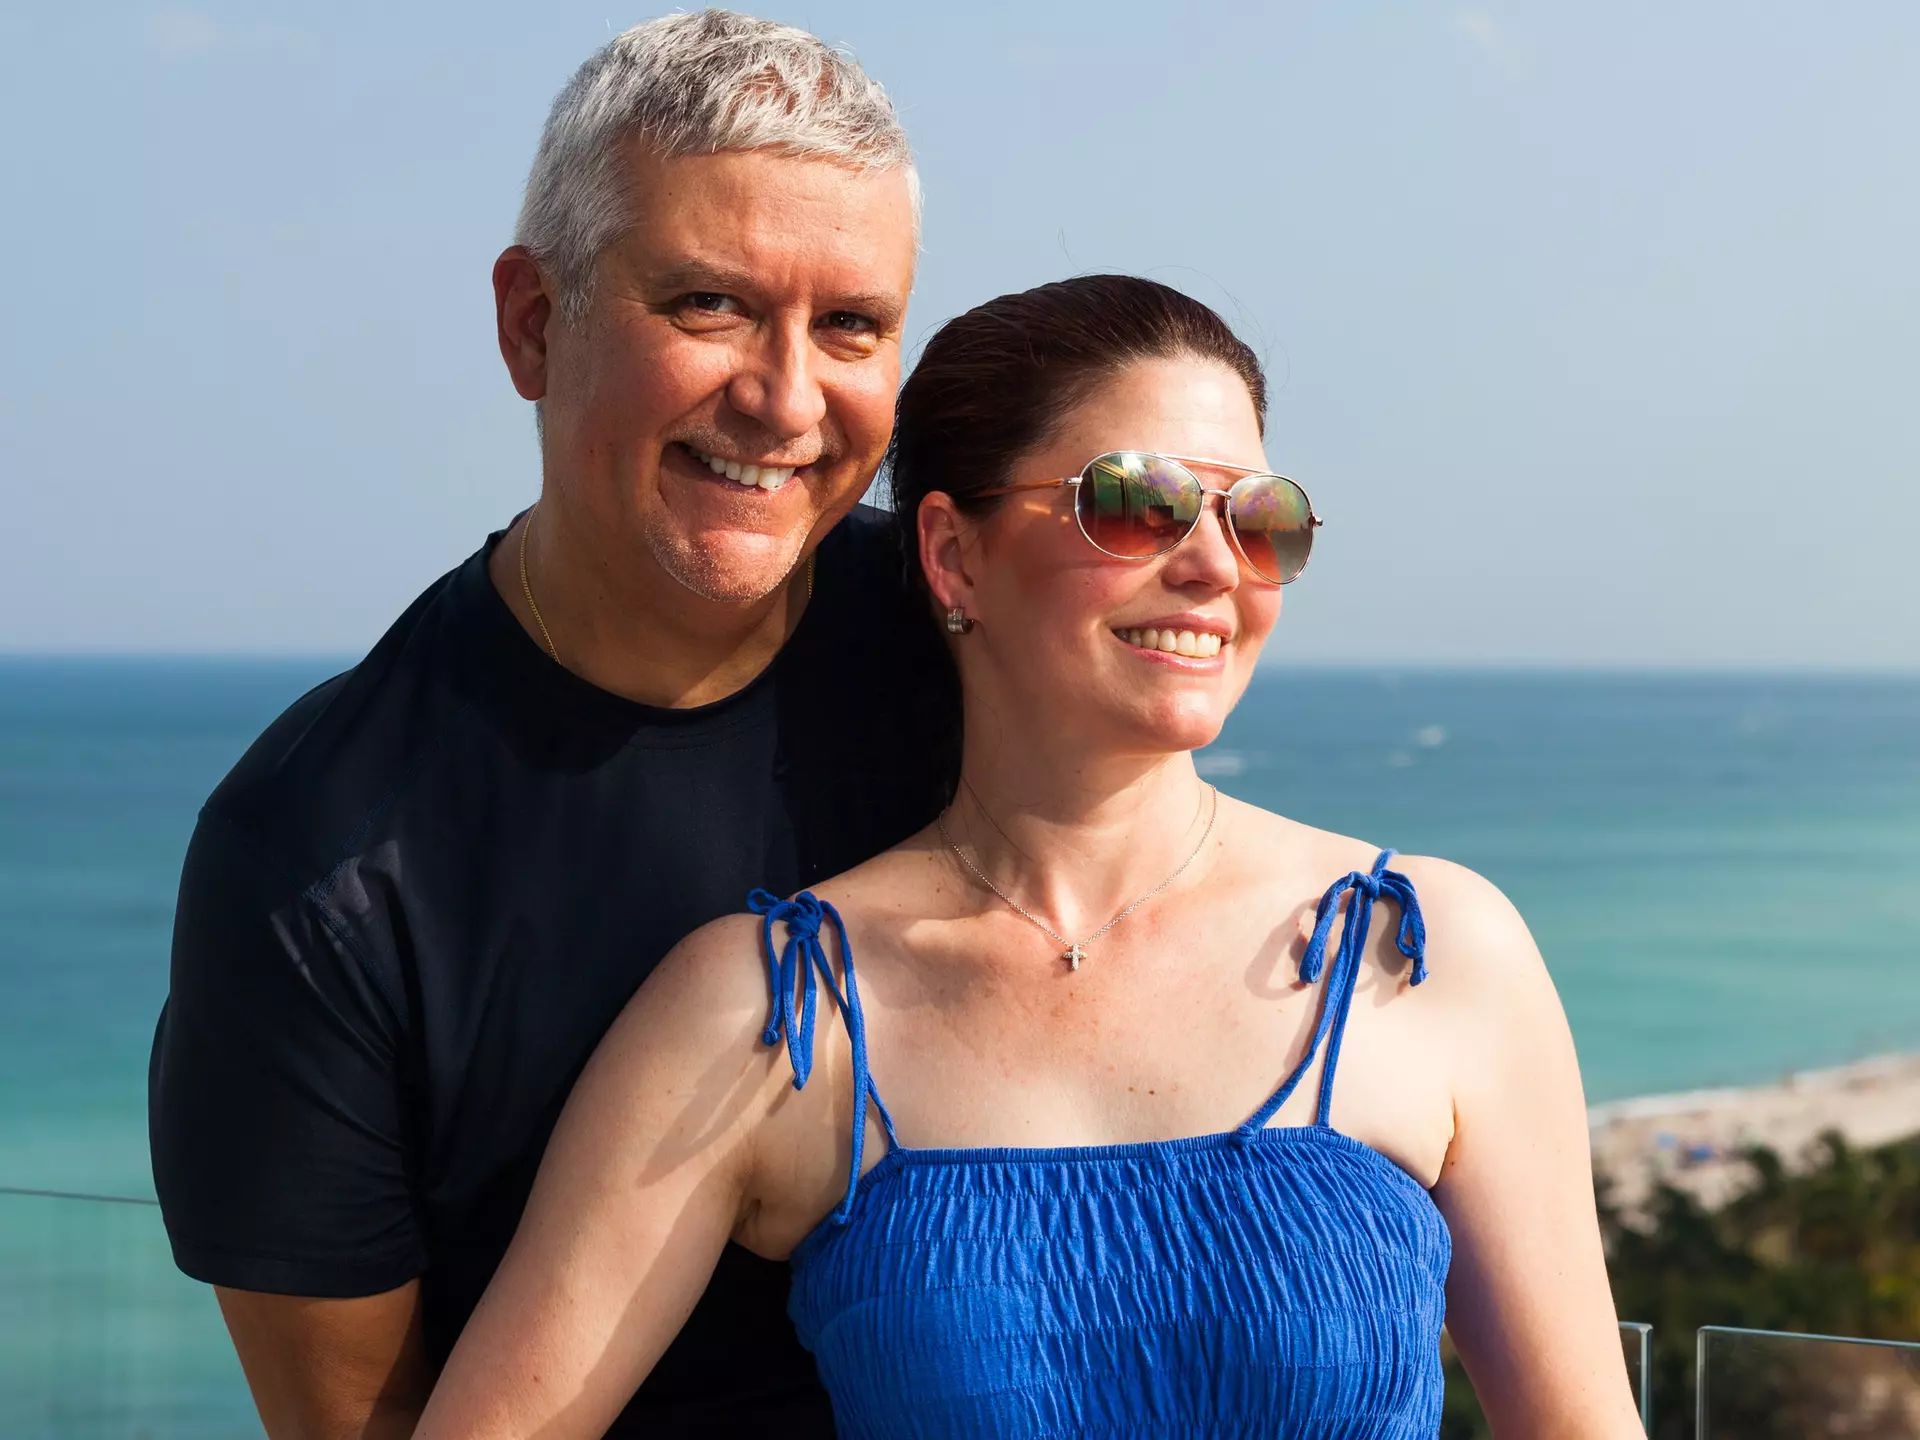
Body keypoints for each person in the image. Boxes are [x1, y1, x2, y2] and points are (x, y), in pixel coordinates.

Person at [410, 275, 1649, 1438]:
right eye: (1138, 502)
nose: (1217, 564)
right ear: (954, 555)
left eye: (1260, 518)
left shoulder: (1420, 948)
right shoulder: (776, 1007)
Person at [146, 12, 949, 1436]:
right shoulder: (315, 869)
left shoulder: (976, 652)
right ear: (534, 321)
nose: (782, 397)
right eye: (707, 305)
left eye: (850, 327)